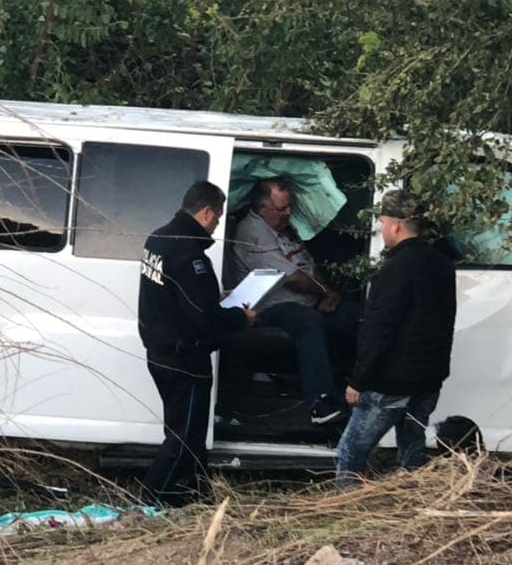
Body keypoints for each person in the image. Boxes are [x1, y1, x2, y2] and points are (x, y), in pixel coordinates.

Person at [138, 181, 256, 504]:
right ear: (206, 213)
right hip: (186, 361)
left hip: (160, 353)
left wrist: (218, 296)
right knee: (183, 437)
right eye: (217, 218)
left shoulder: (158, 238)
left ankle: (196, 496)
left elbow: (179, 297)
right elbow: (205, 318)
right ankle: (150, 502)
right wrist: (241, 319)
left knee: (188, 433)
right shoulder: (191, 256)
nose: (217, 225)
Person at [335, 189, 456, 487]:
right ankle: (412, 504)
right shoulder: (442, 264)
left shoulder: (394, 269)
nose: (381, 228)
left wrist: (358, 381)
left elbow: (379, 330)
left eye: (383, 222)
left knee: (350, 452)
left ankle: (344, 505)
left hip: (390, 382)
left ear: (396, 225)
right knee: (412, 454)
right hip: (428, 378)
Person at [228, 178, 358, 426]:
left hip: (305, 300)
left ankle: (352, 390)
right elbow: (294, 279)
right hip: (266, 309)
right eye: (282, 209)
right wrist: (324, 292)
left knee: (352, 313)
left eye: (290, 207)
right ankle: (319, 403)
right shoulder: (253, 233)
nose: (289, 213)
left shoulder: (284, 229)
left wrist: (329, 294)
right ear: (262, 208)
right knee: (306, 320)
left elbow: (308, 266)